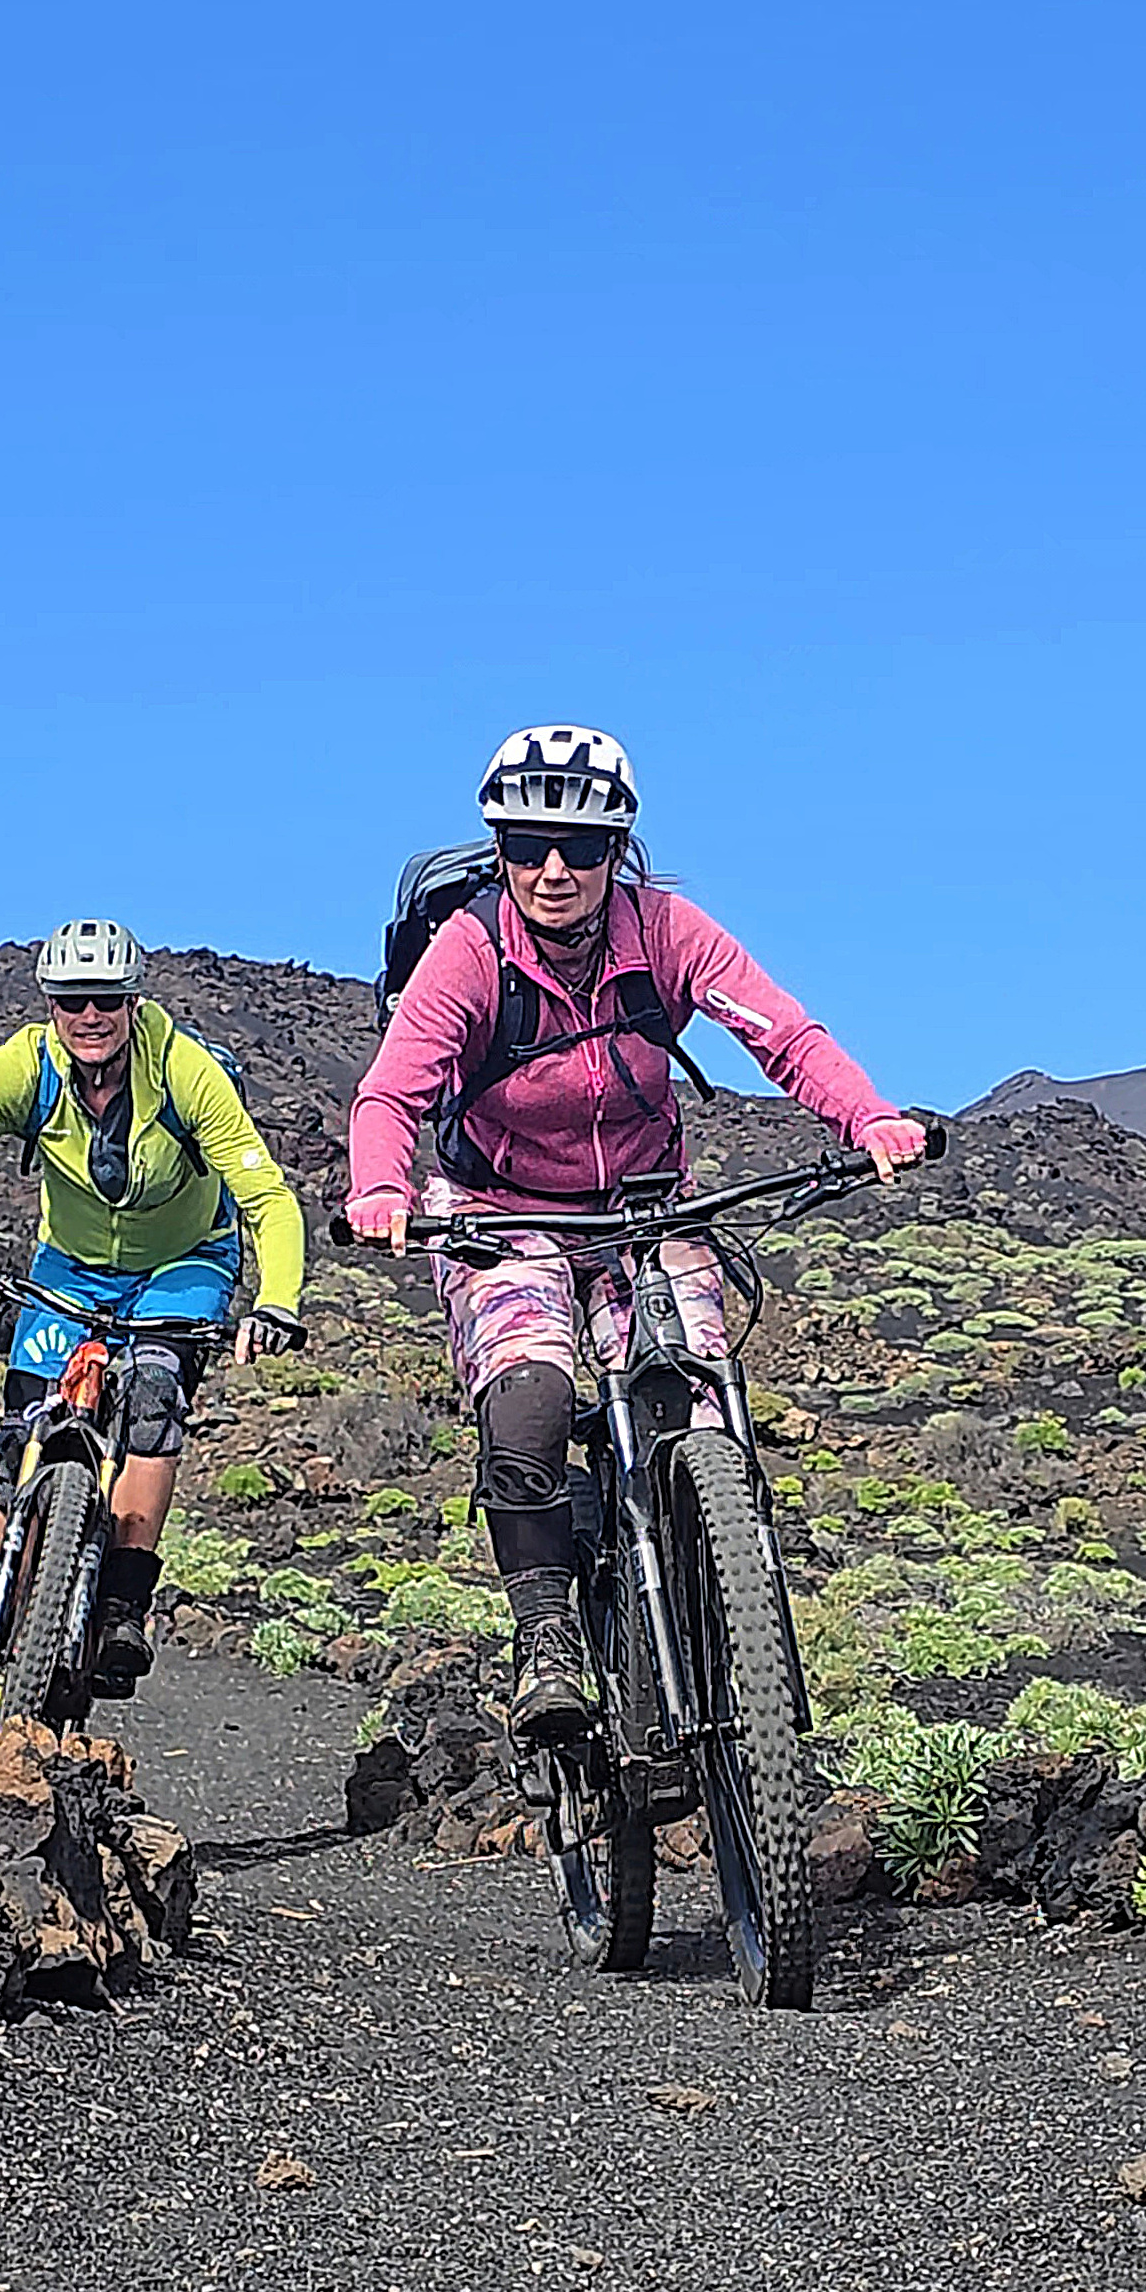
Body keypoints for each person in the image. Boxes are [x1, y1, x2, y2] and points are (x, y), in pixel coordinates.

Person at [345, 726, 926, 1741]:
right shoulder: (469, 951)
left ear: (617, 849)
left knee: (696, 1395)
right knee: (529, 1392)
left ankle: (722, 1606)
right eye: (527, 846)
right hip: (502, 1210)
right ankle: (547, 1637)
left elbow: (782, 1033)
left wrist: (866, 1117)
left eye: (580, 847)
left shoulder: (665, 930)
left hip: (649, 1206)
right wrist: (381, 1189)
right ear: (498, 849)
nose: (553, 870)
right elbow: (392, 1092)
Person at [0, 918, 305, 1717]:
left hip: (183, 1263)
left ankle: (123, 1605)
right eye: (72, 1000)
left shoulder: (183, 1072)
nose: (90, 1015)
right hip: (70, 1268)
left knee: (153, 1396)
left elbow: (269, 1201)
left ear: (135, 1001)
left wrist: (276, 1300)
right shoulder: (26, 1067)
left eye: (107, 998)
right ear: (50, 1004)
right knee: (19, 1436)